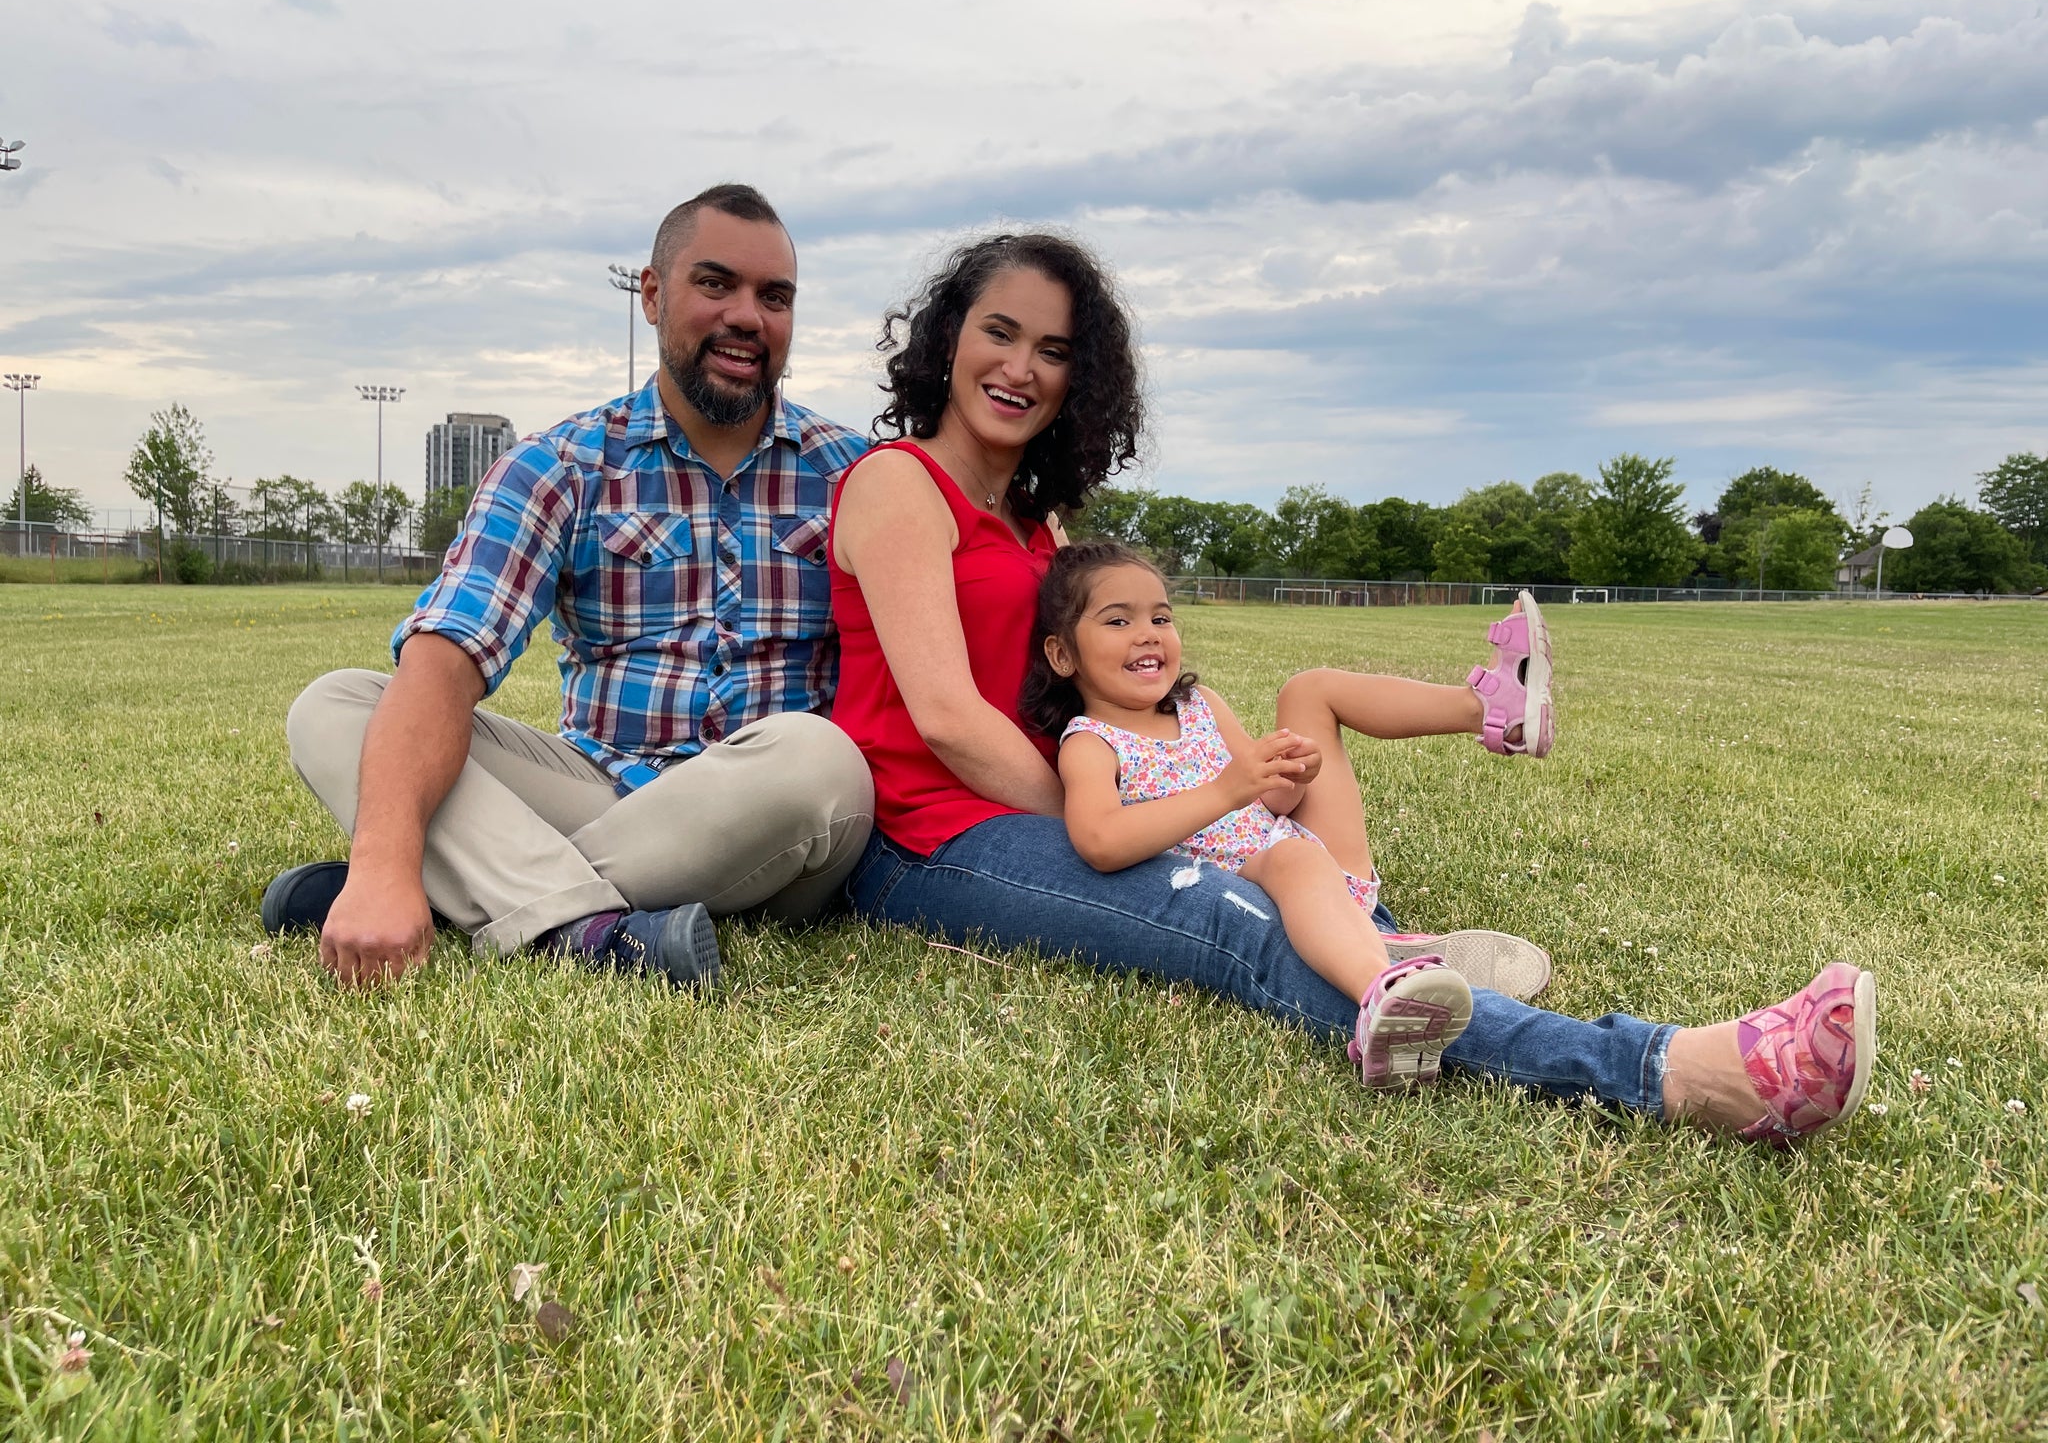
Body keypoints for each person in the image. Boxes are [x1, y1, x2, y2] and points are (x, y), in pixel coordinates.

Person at [828, 228, 1876, 1143]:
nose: (1020, 367)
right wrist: (1145, 826)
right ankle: (1668, 1072)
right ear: (947, 338)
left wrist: (1187, 797)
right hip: (930, 838)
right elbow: (950, 719)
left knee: (1275, 877)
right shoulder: (895, 485)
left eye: (1053, 350)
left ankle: (1387, 946)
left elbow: (1109, 696)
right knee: (1235, 919)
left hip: (1050, 801)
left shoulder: (1041, 528)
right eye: (998, 332)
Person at [267, 183, 875, 988]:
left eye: (775, 297)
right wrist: (383, 857)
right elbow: (448, 655)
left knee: (820, 760)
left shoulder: (856, 476)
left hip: (768, 815)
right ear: (652, 296)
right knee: (337, 705)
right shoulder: (561, 464)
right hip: (601, 789)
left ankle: (469, 892)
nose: (747, 317)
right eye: (715, 284)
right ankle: (584, 932)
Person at [1023, 541, 1573, 1087]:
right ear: (1062, 655)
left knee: (1310, 690)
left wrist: (1289, 776)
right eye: (1118, 620)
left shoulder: (1201, 705)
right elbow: (1099, 839)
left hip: (1307, 855)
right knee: (1292, 859)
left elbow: (1265, 799)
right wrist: (1226, 791)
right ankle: (1381, 990)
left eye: (1160, 616)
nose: (1148, 632)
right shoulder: (1092, 744)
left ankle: (1492, 710)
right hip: (1258, 885)